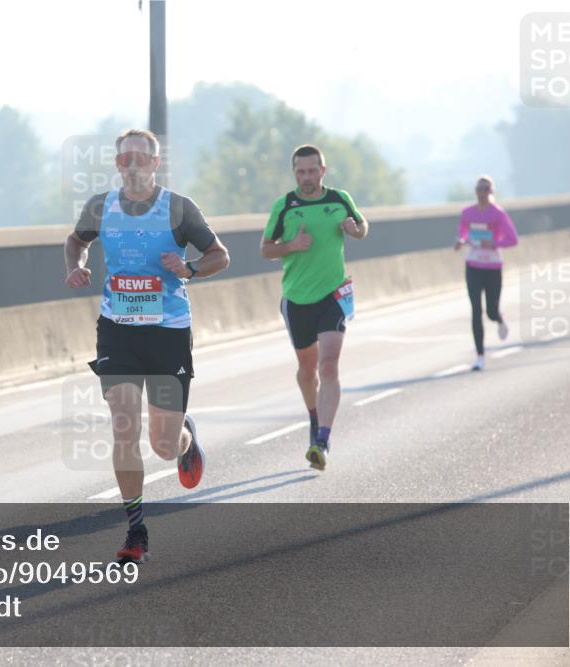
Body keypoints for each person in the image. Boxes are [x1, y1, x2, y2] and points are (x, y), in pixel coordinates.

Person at [64, 129, 230, 564]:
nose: (133, 165)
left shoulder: (178, 208)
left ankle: (185, 438)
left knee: (163, 445)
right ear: (117, 164)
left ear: (156, 164)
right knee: (123, 426)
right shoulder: (100, 206)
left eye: (141, 158)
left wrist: (189, 268)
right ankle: (136, 530)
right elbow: (76, 240)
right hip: (117, 330)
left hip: (168, 332)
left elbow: (220, 255)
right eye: (125, 159)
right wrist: (76, 265)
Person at [260, 144, 368, 472]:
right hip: (297, 299)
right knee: (307, 371)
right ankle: (314, 417)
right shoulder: (285, 206)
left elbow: (361, 225)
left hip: (333, 294)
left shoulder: (339, 199)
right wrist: (292, 245)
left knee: (329, 365)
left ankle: (322, 439)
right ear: (295, 173)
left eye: (311, 171)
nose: (306, 177)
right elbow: (266, 249)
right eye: (300, 172)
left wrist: (355, 231)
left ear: (323, 171)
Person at [453, 176, 518, 371]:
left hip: (492, 267)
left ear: (491, 192)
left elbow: (513, 239)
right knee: (476, 310)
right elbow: (462, 232)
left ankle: (499, 318)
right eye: (479, 189)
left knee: (490, 311)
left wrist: (495, 243)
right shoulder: (467, 212)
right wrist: (460, 241)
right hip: (473, 266)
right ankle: (480, 355)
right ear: (475, 191)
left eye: (486, 189)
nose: (482, 192)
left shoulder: (498, 213)